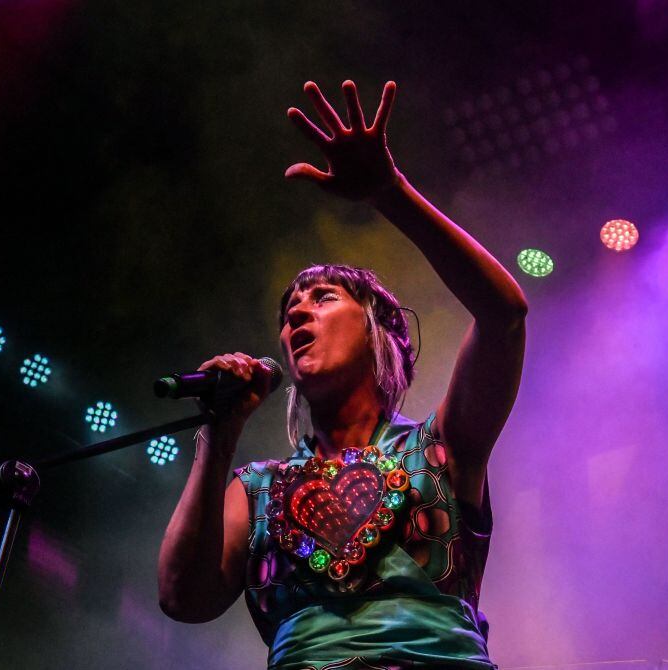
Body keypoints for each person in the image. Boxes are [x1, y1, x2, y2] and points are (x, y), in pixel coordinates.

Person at [158, 79, 527, 670]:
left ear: (382, 328)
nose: (297, 314)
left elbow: (504, 315)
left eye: (323, 297)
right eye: (289, 310)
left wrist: (389, 192)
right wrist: (217, 435)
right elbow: (182, 597)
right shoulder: (258, 487)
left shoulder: (440, 449)